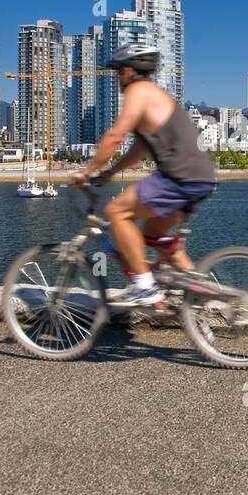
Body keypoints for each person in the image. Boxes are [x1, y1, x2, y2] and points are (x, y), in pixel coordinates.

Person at [70, 42, 218, 305]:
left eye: (117, 71)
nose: (116, 77)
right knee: (155, 236)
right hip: (200, 178)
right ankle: (199, 293)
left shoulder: (138, 91)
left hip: (179, 176)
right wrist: (112, 172)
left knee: (116, 212)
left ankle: (144, 286)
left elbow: (115, 136)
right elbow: (139, 148)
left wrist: (87, 170)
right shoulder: (154, 95)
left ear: (129, 71)